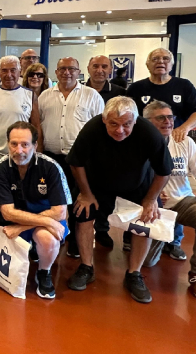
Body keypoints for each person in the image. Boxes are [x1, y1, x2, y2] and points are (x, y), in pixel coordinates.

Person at [66, 97, 173, 303]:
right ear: (104, 119)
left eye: (126, 124)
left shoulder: (149, 133)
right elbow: (76, 162)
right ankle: (86, 266)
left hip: (138, 185)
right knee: (82, 212)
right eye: (113, 124)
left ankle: (134, 273)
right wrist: (86, 194)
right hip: (97, 183)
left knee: (146, 219)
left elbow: (164, 171)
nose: (120, 130)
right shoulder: (92, 128)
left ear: (135, 121)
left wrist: (150, 199)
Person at [127, 48, 196, 256]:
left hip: (177, 144)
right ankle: (136, 236)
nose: (161, 62)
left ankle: (174, 242)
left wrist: (184, 128)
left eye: (166, 58)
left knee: (177, 188)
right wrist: (152, 194)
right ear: (147, 64)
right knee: (147, 259)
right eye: (155, 58)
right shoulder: (137, 88)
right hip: (148, 179)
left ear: (172, 64)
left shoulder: (183, 86)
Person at [0, 121, 71, 299]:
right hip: (19, 220)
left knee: (47, 239)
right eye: (14, 144)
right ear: (7, 144)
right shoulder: (1, 168)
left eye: (25, 144)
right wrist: (46, 220)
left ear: (35, 146)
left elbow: (60, 212)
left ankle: (44, 271)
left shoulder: (51, 167)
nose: (19, 150)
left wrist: (22, 227)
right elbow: (7, 213)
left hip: (37, 221)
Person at [38, 58, 105, 255]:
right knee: (53, 201)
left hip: (81, 161)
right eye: (62, 69)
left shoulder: (91, 96)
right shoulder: (44, 96)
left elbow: (100, 129)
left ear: (79, 71)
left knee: (78, 201)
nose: (67, 72)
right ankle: (56, 235)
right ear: (56, 72)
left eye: (71, 69)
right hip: (52, 158)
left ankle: (76, 241)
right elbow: (38, 125)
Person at [142, 101, 196, 297]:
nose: (168, 121)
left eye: (170, 117)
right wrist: (151, 195)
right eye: (161, 118)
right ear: (147, 121)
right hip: (153, 208)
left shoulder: (185, 142)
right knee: (148, 262)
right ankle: (166, 238)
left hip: (182, 202)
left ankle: (195, 275)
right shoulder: (138, 143)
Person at [0, 56, 42, 160]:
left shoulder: (30, 95)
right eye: (4, 71)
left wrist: (38, 154)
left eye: (13, 70)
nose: (9, 75)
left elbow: (36, 126)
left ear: (20, 72)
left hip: (22, 153)